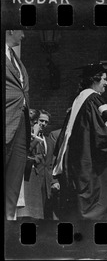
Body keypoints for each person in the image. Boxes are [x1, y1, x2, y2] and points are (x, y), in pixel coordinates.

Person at [52, 63, 107, 220]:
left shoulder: (78, 100)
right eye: (104, 79)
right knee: (98, 202)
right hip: (91, 161)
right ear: (95, 80)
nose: (106, 83)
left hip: (77, 160)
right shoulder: (93, 99)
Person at [6, 30, 31, 220]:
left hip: (21, 121)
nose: (23, 35)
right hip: (7, 118)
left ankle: (8, 219)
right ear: (11, 30)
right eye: (21, 30)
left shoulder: (15, 58)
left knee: (14, 177)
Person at [17, 110, 53, 220]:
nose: (43, 124)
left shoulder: (49, 140)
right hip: (30, 178)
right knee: (28, 214)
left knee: (42, 215)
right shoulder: (28, 136)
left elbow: (51, 162)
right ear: (35, 121)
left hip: (45, 182)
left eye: (46, 122)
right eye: (41, 120)